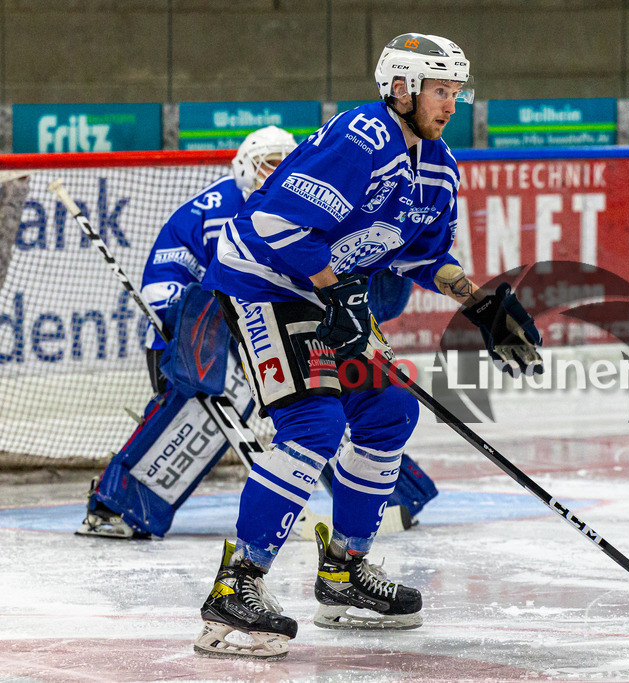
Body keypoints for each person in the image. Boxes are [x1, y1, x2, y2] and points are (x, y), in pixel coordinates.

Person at [194, 33, 543, 659]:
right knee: (314, 423)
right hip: (264, 281)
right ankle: (236, 584)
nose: (452, 104)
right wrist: (338, 291)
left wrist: (480, 303)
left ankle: (344, 571)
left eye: (457, 92)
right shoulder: (362, 137)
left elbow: (422, 257)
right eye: (441, 90)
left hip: (326, 292)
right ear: (401, 88)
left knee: (390, 409)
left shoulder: (438, 167)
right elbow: (275, 225)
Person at [76, 126, 431, 541]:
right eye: (268, 163)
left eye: (284, 163)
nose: (276, 171)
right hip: (198, 347)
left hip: (274, 331)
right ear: (245, 168)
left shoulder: (308, 206)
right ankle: (120, 505)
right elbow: (164, 282)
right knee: (206, 404)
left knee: (323, 406)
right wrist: (190, 320)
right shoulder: (209, 210)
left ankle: (385, 496)